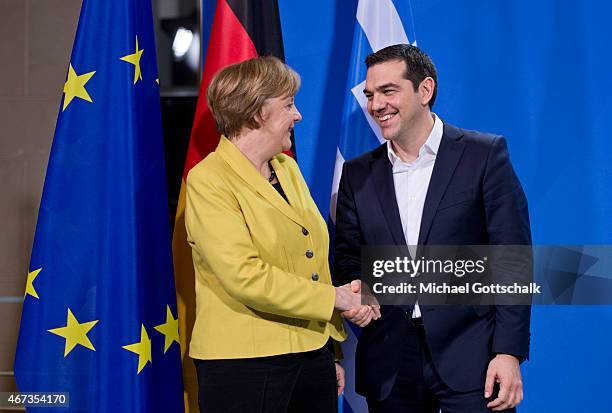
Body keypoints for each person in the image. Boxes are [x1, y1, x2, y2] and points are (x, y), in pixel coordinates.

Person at [334, 44, 531, 413]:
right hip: (390, 360)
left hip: (472, 356)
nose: (376, 105)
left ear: (425, 90)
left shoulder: (483, 155)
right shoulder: (357, 173)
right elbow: (348, 255)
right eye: (370, 94)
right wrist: (359, 290)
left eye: (388, 91)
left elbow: (512, 260)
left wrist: (508, 352)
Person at [185, 56, 379, 413]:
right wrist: (336, 299)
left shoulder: (286, 168)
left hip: (310, 358)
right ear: (258, 112)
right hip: (244, 367)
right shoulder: (208, 181)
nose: (298, 115)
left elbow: (311, 260)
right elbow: (245, 276)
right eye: (289, 105)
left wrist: (328, 352)